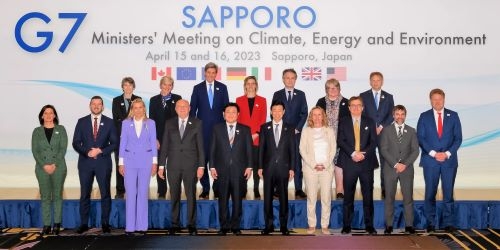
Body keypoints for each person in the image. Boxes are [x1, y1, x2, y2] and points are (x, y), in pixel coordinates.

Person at [417, 88, 462, 233]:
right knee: (430, 193)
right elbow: (421, 138)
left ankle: (448, 223)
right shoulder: (424, 116)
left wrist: (447, 153)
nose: (437, 101)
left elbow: (458, 138)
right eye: (434, 99)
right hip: (431, 161)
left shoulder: (453, 115)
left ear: (444, 99)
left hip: (449, 161)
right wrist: (433, 153)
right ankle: (430, 223)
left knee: (448, 194)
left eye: (440, 99)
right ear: (430, 100)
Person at [158, 99, 205, 236]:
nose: (182, 108)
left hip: (191, 165)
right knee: (174, 195)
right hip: (173, 165)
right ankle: (174, 223)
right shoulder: (169, 123)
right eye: (179, 106)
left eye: (185, 106)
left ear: (189, 108)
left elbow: (200, 147)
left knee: (191, 195)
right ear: (176, 109)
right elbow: (165, 145)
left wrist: (201, 166)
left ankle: (191, 224)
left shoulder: (197, 122)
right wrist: (161, 165)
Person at [73, 96, 118, 234]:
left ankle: (105, 223)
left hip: (103, 163)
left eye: (99, 104)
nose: (96, 106)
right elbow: (76, 142)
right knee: (84, 194)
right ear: (90, 105)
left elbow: (115, 143)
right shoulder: (81, 122)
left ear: (103, 107)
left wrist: (101, 150)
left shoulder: (110, 122)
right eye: (94, 104)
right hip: (85, 163)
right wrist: (87, 152)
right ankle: (84, 224)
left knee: (105, 194)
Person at [210, 103, 253, 235]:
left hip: (239, 170)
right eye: (227, 111)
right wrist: (211, 166)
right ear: (223, 114)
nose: (230, 114)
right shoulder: (217, 129)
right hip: (221, 170)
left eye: (233, 112)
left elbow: (249, 150)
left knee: (237, 200)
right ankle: (224, 226)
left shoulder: (245, 129)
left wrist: (250, 166)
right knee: (222, 200)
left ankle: (235, 226)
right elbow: (212, 149)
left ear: (238, 114)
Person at [337, 96, 378, 235]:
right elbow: (340, 140)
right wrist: (353, 153)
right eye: (353, 105)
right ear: (349, 108)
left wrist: (363, 154)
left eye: (358, 105)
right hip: (349, 162)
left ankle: (369, 225)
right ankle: (346, 225)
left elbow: (374, 142)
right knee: (348, 196)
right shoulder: (343, 122)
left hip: (366, 163)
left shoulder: (370, 121)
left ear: (363, 107)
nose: (355, 108)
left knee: (368, 196)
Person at [190, 62, 229, 199]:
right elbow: (192, 110)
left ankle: (217, 188)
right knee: (203, 160)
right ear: (205, 73)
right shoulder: (197, 88)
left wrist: (227, 130)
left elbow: (227, 111)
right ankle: (205, 188)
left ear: (216, 74)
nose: (211, 75)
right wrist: (192, 130)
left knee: (218, 161)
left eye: (214, 73)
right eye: (209, 72)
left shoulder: (222, 88)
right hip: (202, 131)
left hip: (219, 132)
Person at [118, 98, 157, 234]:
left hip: (146, 162)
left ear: (144, 109)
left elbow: (153, 143)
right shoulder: (125, 123)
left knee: (142, 193)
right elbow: (122, 143)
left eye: (141, 107)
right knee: (131, 193)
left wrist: (155, 162)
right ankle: (130, 227)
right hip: (129, 162)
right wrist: (121, 163)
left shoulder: (151, 123)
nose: (138, 110)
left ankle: (142, 226)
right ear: (132, 109)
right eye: (135, 108)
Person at [379, 105, 419, 234]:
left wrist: (404, 164)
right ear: (393, 115)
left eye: (402, 114)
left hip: (406, 170)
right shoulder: (386, 130)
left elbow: (415, 150)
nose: (399, 116)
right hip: (390, 169)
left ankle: (409, 225)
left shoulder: (412, 131)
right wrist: (396, 164)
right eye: (397, 114)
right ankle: (389, 226)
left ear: (405, 115)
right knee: (389, 198)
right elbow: (383, 149)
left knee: (408, 198)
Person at [258, 100, 296, 235]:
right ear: (271, 111)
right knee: (267, 198)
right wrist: (260, 166)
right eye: (274, 110)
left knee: (283, 198)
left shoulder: (290, 128)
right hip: (268, 168)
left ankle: (284, 226)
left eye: (280, 110)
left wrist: (292, 168)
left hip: (284, 168)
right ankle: (268, 225)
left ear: (284, 112)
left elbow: (293, 149)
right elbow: (261, 149)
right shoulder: (264, 127)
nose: (277, 113)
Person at [271, 68, 308, 200]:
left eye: (292, 78)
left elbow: (304, 113)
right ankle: (279, 189)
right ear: (283, 79)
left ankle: (298, 189)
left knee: (297, 161)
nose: (290, 80)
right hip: (280, 134)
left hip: (296, 134)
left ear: (295, 79)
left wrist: (297, 129)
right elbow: (275, 113)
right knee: (280, 161)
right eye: (287, 77)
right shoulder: (277, 94)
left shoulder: (301, 94)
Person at [299, 107, 336, 235]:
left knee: (326, 198)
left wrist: (325, 164)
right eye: (314, 115)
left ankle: (325, 225)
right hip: (310, 169)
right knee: (311, 198)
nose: (316, 117)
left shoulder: (329, 130)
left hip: (326, 169)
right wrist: (314, 164)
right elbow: (302, 150)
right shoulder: (306, 131)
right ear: (311, 117)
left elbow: (333, 149)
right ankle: (312, 224)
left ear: (323, 116)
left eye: (319, 114)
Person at [31, 105, 68, 236]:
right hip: (42, 169)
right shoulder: (36, 131)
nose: (48, 115)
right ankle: (46, 225)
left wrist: (54, 164)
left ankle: (57, 224)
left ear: (54, 115)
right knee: (45, 197)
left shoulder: (61, 129)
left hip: (58, 167)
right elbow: (35, 151)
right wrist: (44, 165)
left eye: (51, 113)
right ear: (42, 116)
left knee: (57, 196)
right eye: (45, 113)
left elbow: (63, 149)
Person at [360, 72, 394, 199]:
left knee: (385, 162)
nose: (375, 82)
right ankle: (367, 187)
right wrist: (372, 127)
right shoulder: (363, 96)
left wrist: (381, 126)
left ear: (382, 81)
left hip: (383, 134)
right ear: (370, 81)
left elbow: (392, 114)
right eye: (373, 80)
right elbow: (361, 114)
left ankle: (385, 188)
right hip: (368, 134)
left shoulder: (389, 97)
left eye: (378, 80)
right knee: (367, 161)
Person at [315, 78, 349, 199]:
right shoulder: (320, 101)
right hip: (324, 140)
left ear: (339, 89)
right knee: (326, 165)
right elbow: (315, 119)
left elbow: (349, 123)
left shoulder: (346, 102)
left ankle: (340, 190)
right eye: (330, 88)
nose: (332, 90)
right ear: (326, 90)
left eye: (335, 87)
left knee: (339, 165)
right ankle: (325, 190)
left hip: (342, 140)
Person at [149, 76, 182, 199]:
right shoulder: (154, 100)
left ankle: (175, 189)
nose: (167, 87)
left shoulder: (177, 98)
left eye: (170, 85)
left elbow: (180, 119)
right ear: (160, 85)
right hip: (158, 138)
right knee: (160, 164)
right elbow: (151, 121)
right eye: (165, 84)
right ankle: (161, 190)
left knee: (174, 165)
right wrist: (154, 138)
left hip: (174, 138)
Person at [235, 76, 267, 200]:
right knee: (243, 165)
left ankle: (256, 188)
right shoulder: (239, 100)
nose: (250, 85)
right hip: (243, 138)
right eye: (248, 83)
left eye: (252, 83)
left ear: (256, 85)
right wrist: (246, 135)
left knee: (256, 164)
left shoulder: (262, 100)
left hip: (257, 138)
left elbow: (263, 118)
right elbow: (237, 118)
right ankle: (242, 189)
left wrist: (256, 134)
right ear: (245, 86)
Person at [112, 77, 141, 199]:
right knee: (121, 163)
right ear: (122, 87)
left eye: (130, 85)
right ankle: (120, 189)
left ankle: (135, 188)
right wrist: (129, 121)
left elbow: (141, 117)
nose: (128, 87)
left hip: (136, 138)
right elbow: (117, 119)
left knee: (135, 164)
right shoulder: (116, 100)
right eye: (125, 85)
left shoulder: (138, 100)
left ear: (133, 87)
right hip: (121, 137)